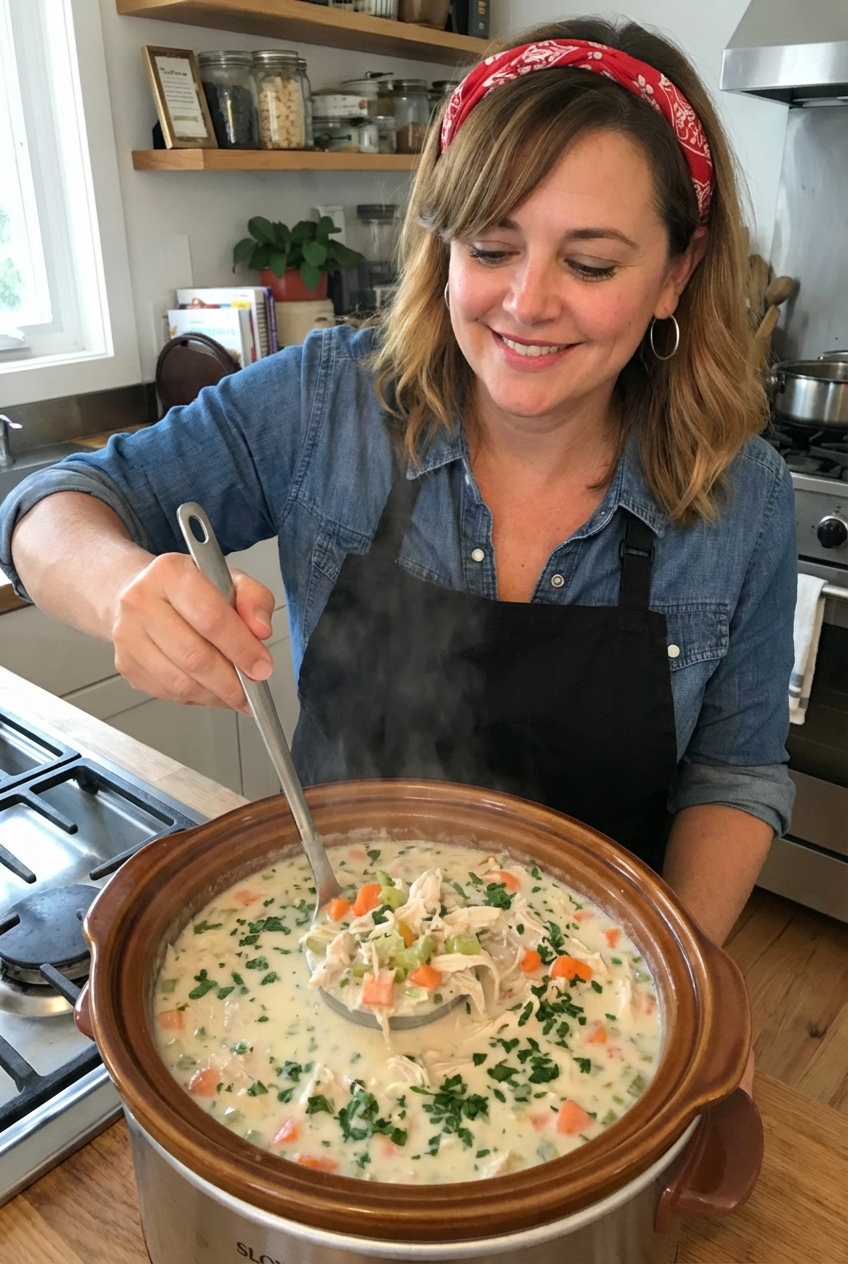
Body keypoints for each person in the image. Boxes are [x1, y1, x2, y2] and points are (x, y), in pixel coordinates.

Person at [0, 18, 795, 966]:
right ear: (444, 246)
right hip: (341, 951)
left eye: (590, 263)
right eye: (492, 247)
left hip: (592, 984)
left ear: (677, 272)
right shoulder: (325, 401)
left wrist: (675, 988)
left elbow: (736, 773)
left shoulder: (744, 496)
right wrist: (119, 589)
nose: (528, 301)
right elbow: (56, 499)